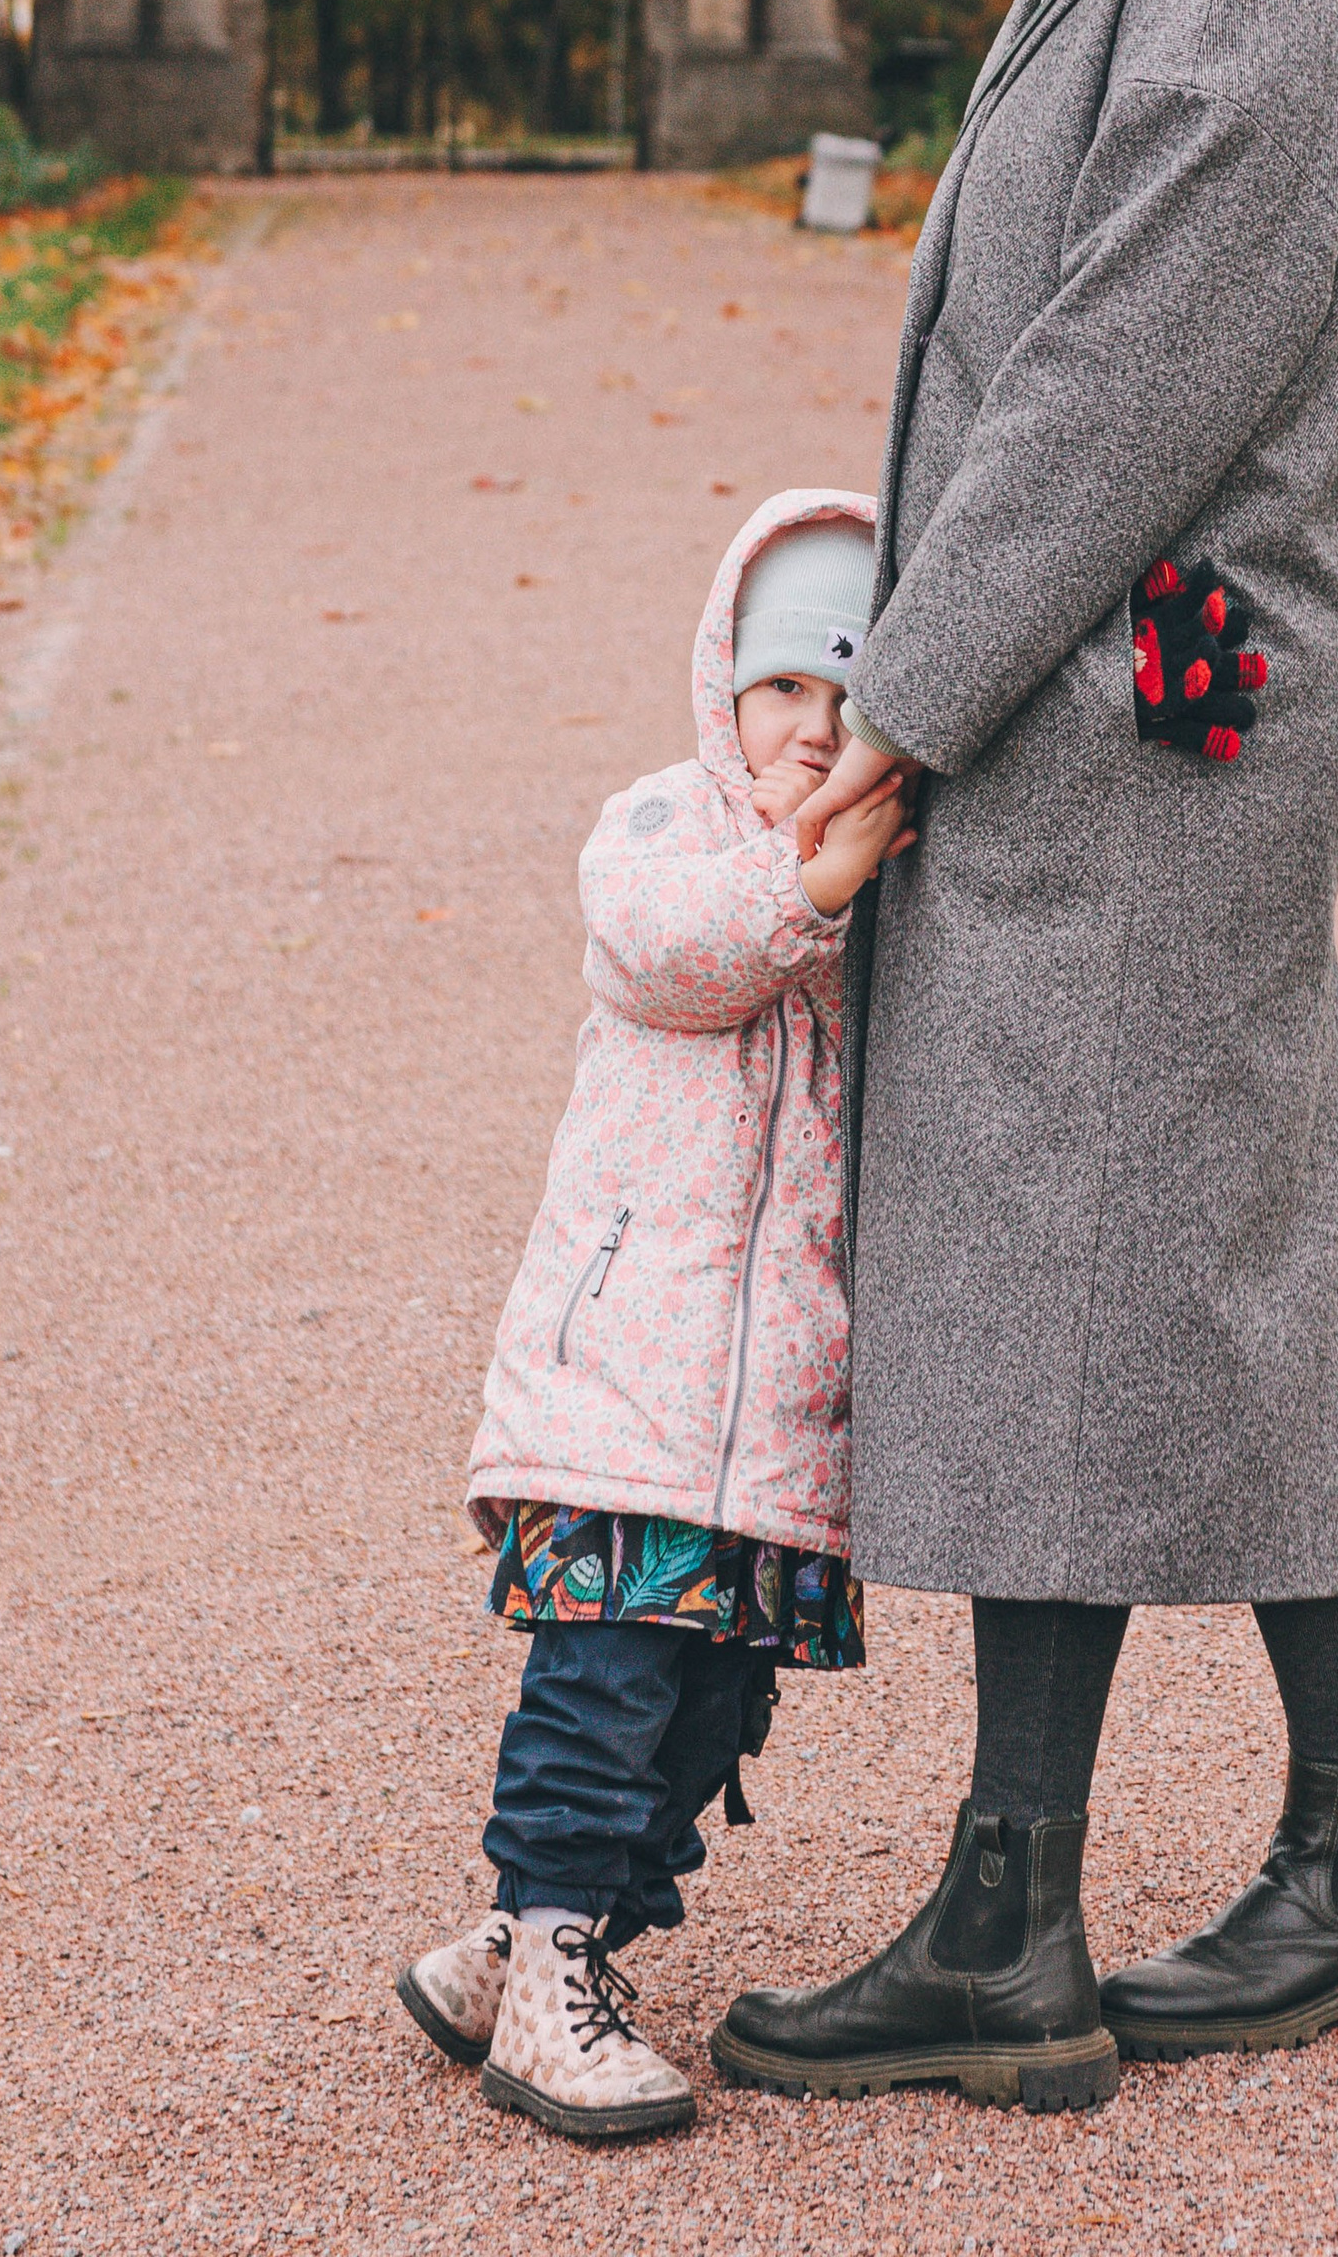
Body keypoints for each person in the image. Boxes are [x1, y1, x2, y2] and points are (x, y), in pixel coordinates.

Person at [710, 0, 1338, 2117]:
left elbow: (1107, 399)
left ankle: (1016, 1925)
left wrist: (888, 718)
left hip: (1155, 721)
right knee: (1187, 1255)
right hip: (1118, 703)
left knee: (1081, 1252)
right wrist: (862, 665)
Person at [396, 492, 906, 2142]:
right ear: (721, 689)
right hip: (633, 1377)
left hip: (770, 1413)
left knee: (715, 1703)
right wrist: (802, 874)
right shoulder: (668, 833)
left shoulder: (881, 887)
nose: (807, 735)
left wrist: (855, 869)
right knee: (602, 1680)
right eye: (780, 696)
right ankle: (550, 1961)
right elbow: (662, 956)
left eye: (848, 707)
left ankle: (517, 1952)